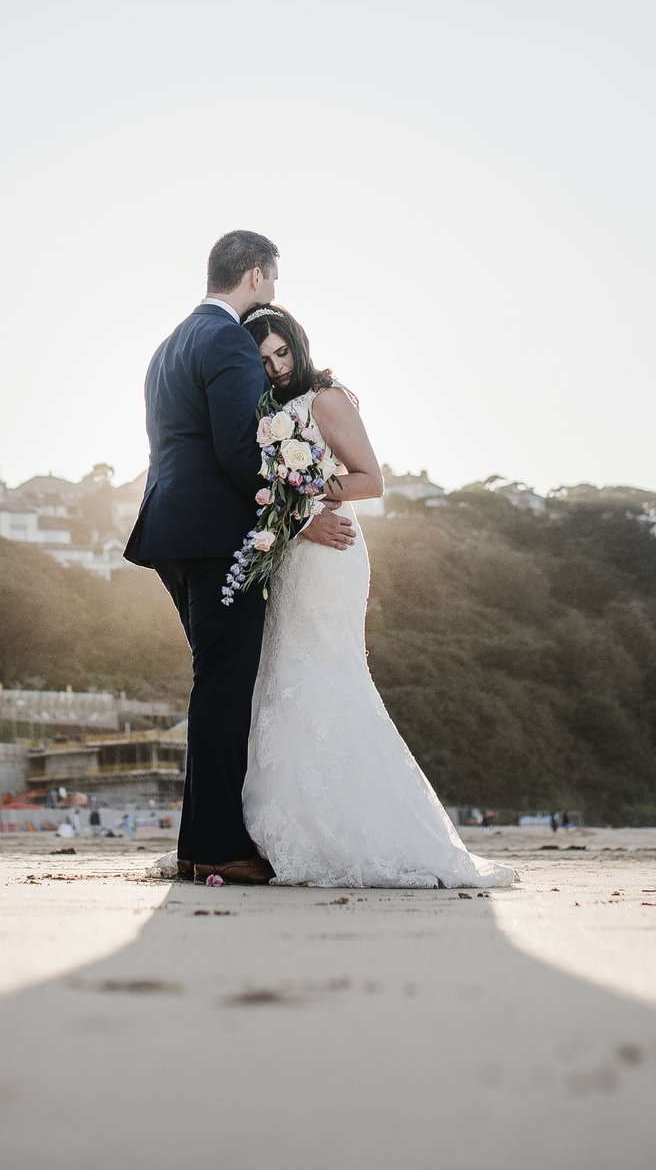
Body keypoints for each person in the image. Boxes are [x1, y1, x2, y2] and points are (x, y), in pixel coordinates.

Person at [225, 302, 514, 889]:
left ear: (298, 345)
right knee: (281, 674)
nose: (277, 366)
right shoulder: (267, 411)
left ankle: (359, 829)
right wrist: (296, 516)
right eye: (265, 360)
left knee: (329, 673)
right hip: (293, 553)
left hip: (331, 554)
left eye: (283, 352)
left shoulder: (327, 399)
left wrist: (302, 495)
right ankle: (283, 828)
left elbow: (371, 480)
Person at [125, 231, 357, 886]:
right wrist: (299, 517)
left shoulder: (168, 346)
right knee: (225, 690)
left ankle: (198, 846)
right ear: (255, 274)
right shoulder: (227, 339)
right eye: (272, 280)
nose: (273, 292)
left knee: (214, 685)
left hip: (170, 531)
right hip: (217, 535)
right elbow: (237, 450)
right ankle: (220, 847)